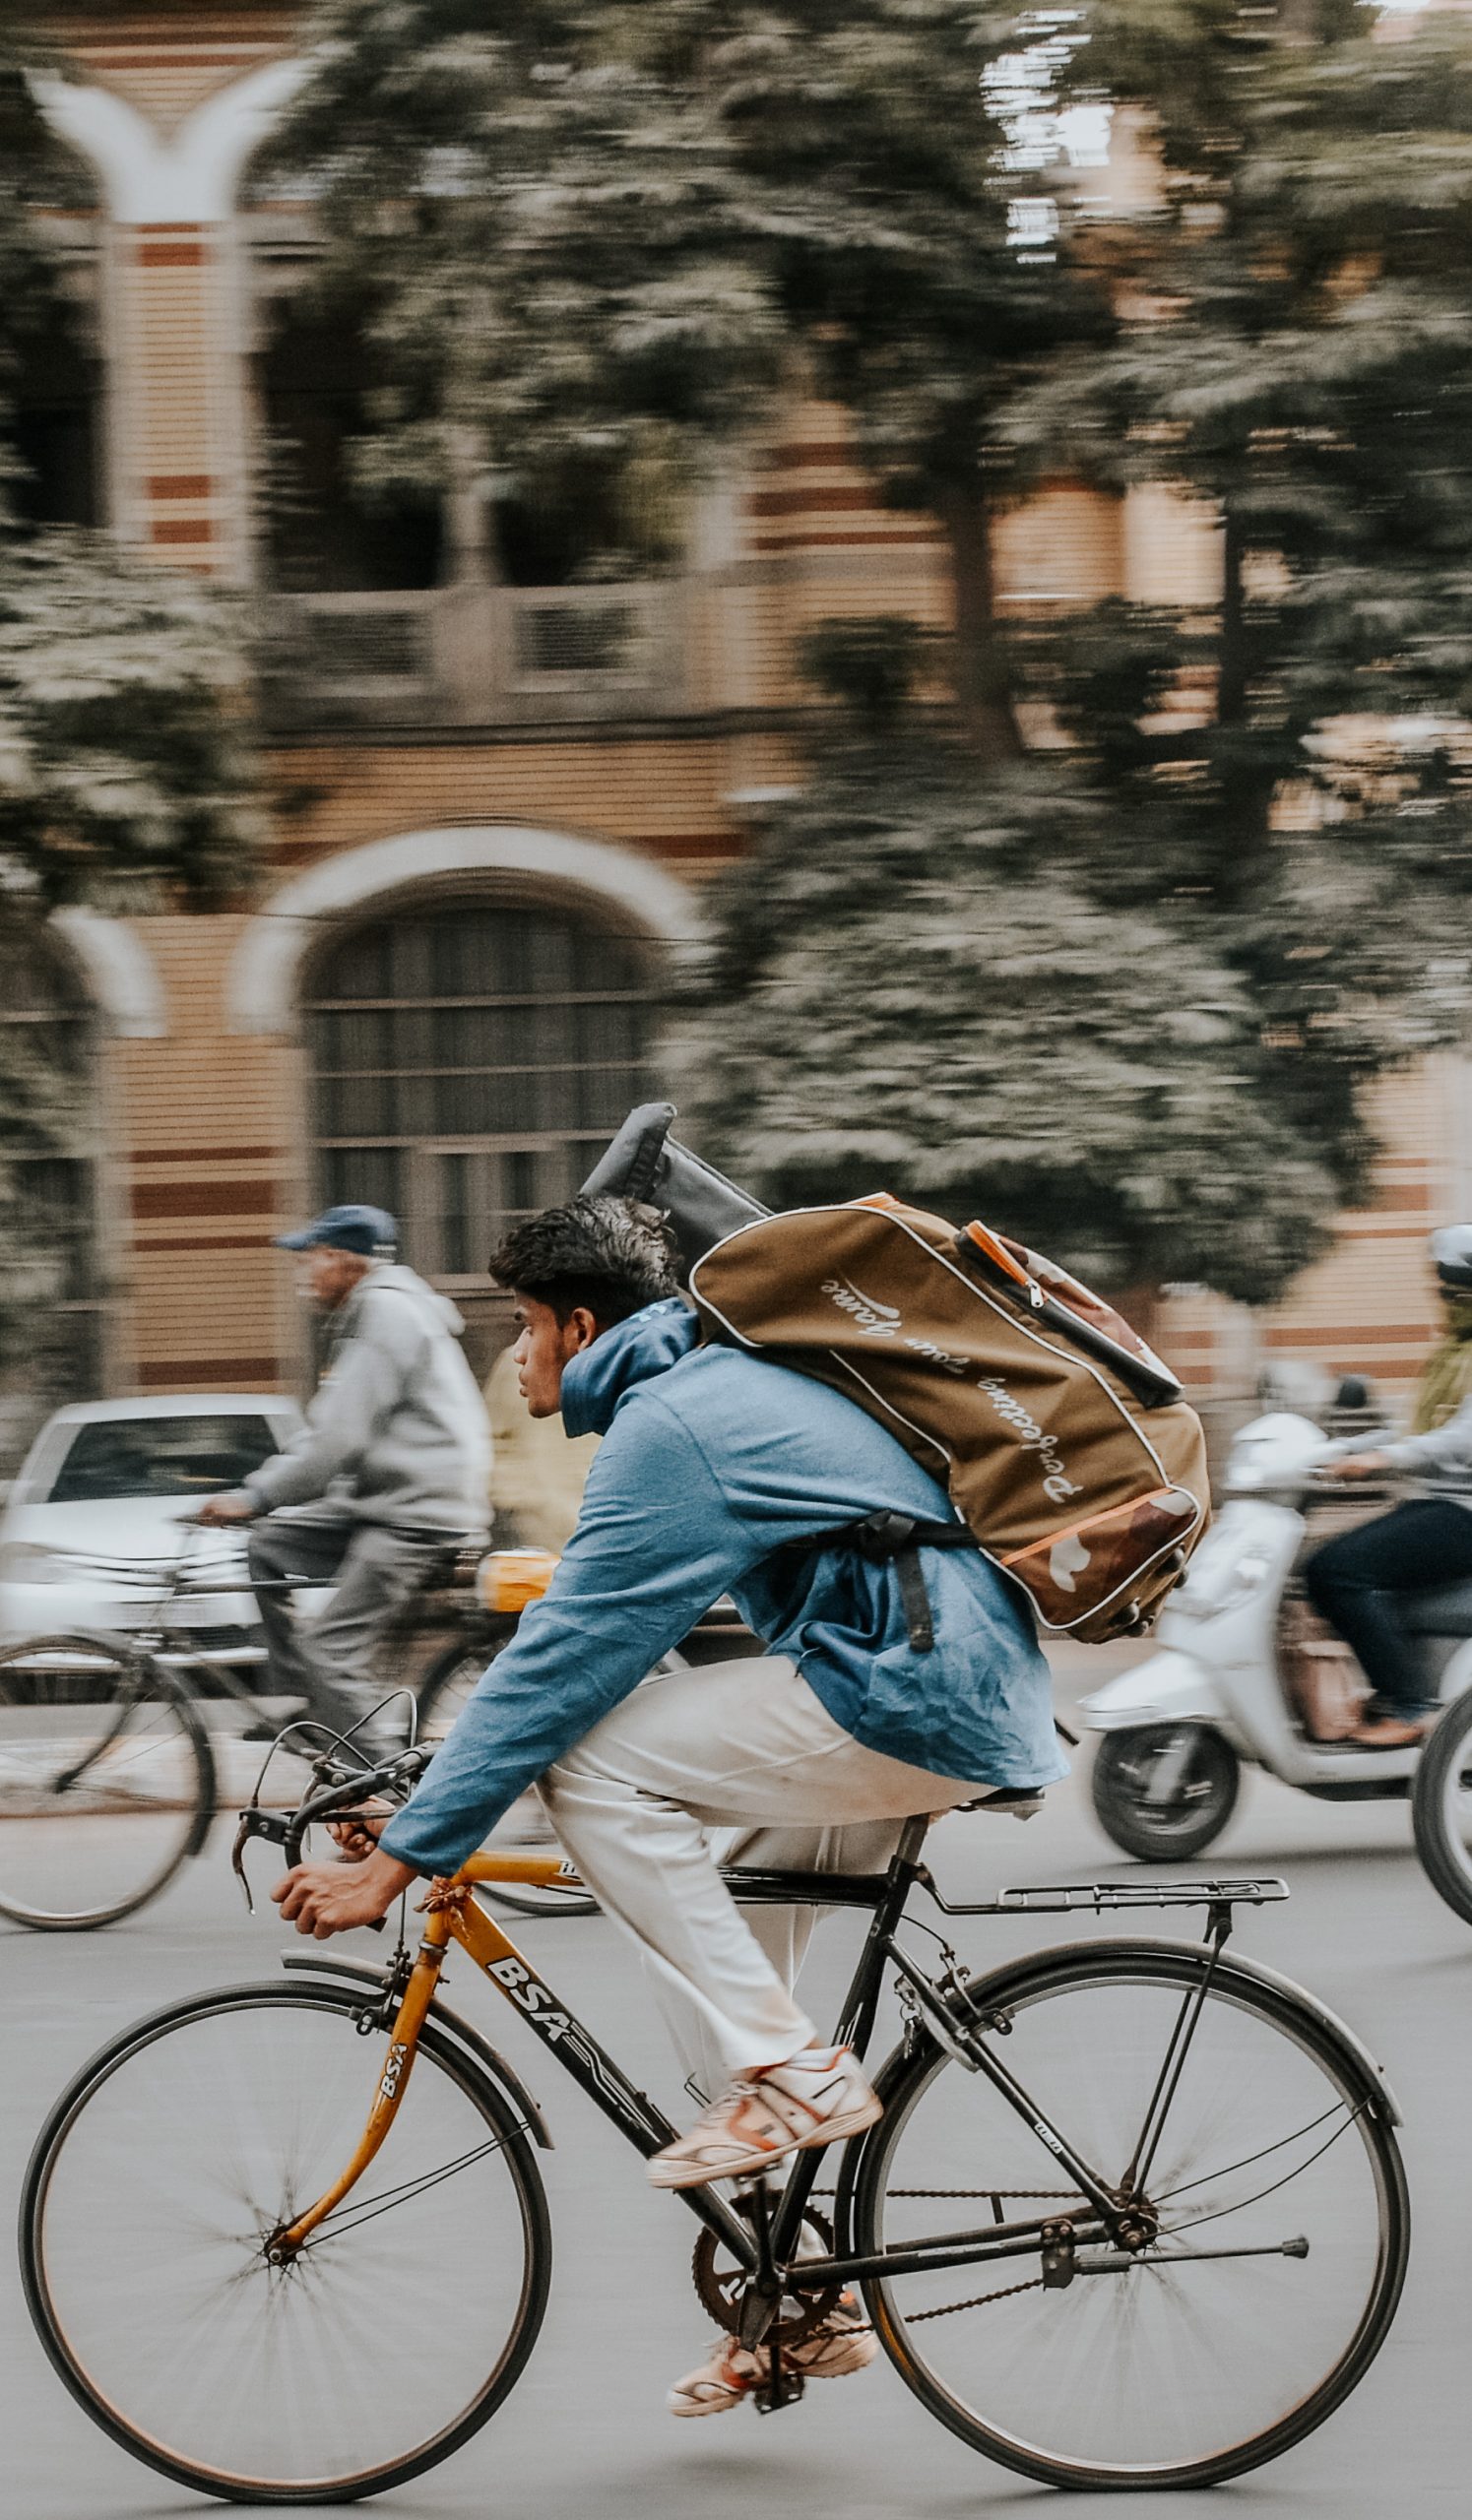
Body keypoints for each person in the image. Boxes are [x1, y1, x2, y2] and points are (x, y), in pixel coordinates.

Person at [271, 1192, 1061, 2416]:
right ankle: (805, 2301)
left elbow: (559, 1669)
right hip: (914, 1683)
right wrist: (432, 1797)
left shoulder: (675, 1427)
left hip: (907, 1693)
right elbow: (613, 1660)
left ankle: (795, 2072)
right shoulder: (703, 1393)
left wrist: (407, 1860)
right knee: (711, 1980)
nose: (515, 1357)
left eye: (524, 1329)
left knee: (597, 1784)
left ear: (580, 1327)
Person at [198, 1204, 490, 1754]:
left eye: (313, 1258)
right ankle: (309, 1704)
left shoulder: (386, 1315)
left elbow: (336, 1440)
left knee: (331, 1650)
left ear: (344, 1261)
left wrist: (258, 1495)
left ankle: (398, 1806)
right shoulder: (370, 1315)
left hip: (419, 1515)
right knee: (266, 1547)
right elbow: (336, 1437)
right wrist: (260, 1506)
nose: (303, 1274)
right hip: (385, 1501)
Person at [1306, 1225, 1472, 1747]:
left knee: (1336, 1571)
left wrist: (1384, 1459)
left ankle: (1411, 1703)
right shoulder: (1451, 1353)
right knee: (1323, 1567)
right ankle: (1396, 1690)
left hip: (1462, 1515)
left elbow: (1461, 1437)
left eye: (1452, 1293)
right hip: (1435, 1506)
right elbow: (1412, 1424)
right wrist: (1336, 1449)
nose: (1443, 1302)